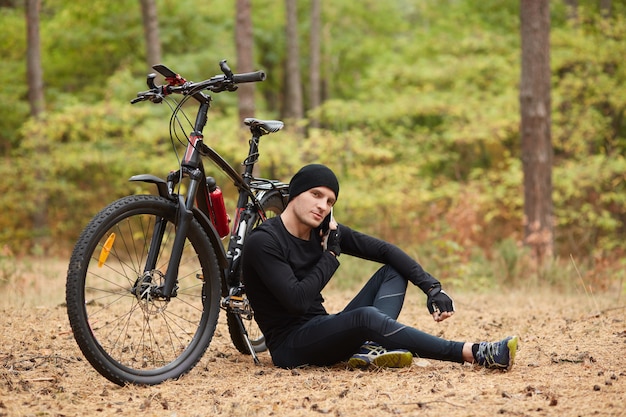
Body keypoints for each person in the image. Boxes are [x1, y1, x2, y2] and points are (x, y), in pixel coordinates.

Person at [242, 164, 518, 370]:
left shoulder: (322, 231)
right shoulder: (264, 242)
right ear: (295, 194)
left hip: (320, 329)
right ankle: (474, 352)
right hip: (291, 347)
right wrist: (332, 255)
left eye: (330, 202)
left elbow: (385, 250)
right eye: (316, 195)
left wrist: (432, 287)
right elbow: (297, 301)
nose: (322, 206)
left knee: (393, 269)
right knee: (366, 317)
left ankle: (371, 347)